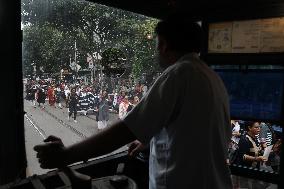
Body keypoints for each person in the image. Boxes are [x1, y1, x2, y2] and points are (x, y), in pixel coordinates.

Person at [34, 14, 232, 189]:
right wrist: (148, 141)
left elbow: (124, 131)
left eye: (156, 45)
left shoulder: (178, 74)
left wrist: (65, 156)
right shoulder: (211, 77)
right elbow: (190, 132)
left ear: (163, 44)